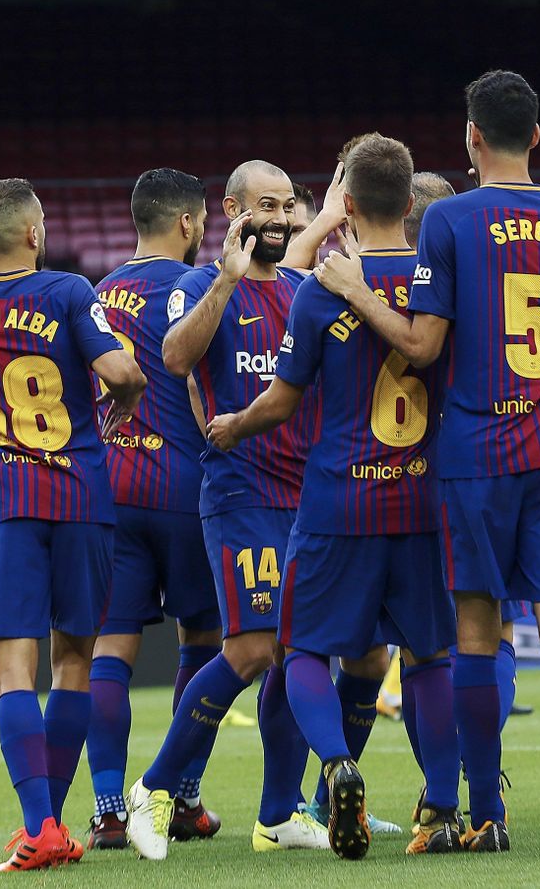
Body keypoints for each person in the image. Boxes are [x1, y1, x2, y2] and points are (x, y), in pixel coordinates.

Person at [317, 71, 540, 857]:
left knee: (476, 633)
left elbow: (423, 344)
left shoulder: (449, 220)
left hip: (477, 450)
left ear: (470, 139)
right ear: (535, 134)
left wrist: (356, 288)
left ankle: (485, 812)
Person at [207, 135, 464, 859]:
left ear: (345, 203)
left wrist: (235, 423)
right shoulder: (440, 280)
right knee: (430, 655)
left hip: (338, 498)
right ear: (411, 201)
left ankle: (337, 765)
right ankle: (442, 804)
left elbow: (283, 401)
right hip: (421, 497)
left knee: (303, 653)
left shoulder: (321, 290)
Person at [0, 178, 146, 871]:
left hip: (8, 501)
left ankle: (42, 827)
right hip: (83, 495)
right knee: (74, 661)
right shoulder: (68, 293)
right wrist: (119, 401)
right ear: (33, 232)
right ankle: (51, 825)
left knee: (11, 671)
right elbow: (122, 370)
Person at [124, 161, 329, 860]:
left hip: (309, 497)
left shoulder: (304, 289)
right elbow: (175, 358)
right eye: (263, 205)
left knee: (299, 652)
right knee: (247, 649)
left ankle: (278, 813)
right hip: (241, 491)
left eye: (285, 206)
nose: (276, 216)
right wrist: (228, 276)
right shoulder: (194, 286)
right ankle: (150, 788)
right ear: (233, 211)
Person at [85, 168, 226, 851]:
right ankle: (181, 797)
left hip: (110, 490)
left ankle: (109, 807)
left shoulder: (97, 293)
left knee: (109, 649)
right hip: (186, 487)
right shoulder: (193, 288)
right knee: (203, 643)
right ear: (188, 223)